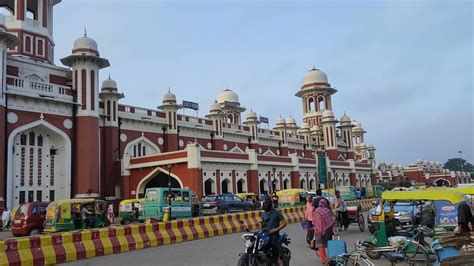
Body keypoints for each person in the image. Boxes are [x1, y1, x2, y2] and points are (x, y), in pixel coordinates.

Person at [261, 196, 286, 265]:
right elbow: (262, 225)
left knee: (273, 244)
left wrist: (275, 229)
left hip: (274, 233)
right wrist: (262, 224)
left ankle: (277, 258)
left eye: (264, 204)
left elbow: (284, 223)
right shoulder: (263, 214)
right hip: (265, 233)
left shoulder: (277, 213)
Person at [312, 199, 336, 264]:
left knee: (320, 246)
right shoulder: (328, 211)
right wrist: (334, 230)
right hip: (328, 230)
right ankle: (330, 257)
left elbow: (314, 222)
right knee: (329, 245)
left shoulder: (316, 211)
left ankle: (324, 260)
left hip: (318, 231)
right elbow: (332, 221)